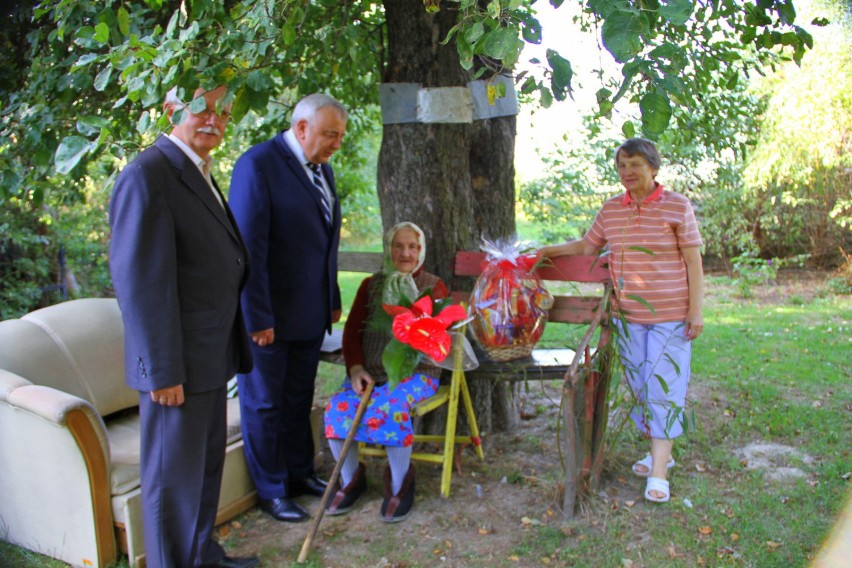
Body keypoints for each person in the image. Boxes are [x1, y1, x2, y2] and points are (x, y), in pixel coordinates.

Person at [109, 85, 258, 568]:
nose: (214, 119)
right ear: (173, 110)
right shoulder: (148, 175)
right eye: (203, 109)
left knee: (203, 469)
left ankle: (202, 556)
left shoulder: (197, 168)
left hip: (208, 355)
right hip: (178, 365)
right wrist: (162, 371)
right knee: (173, 479)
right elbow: (141, 285)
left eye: (223, 111)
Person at [540, 138, 704, 504]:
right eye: (621, 166)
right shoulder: (612, 210)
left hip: (671, 316)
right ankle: (662, 451)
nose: (627, 172)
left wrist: (696, 310)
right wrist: (546, 251)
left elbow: (693, 261)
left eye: (635, 164)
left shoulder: (677, 206)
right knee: (643, 386)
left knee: (664, 387)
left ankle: (659, 471)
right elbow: (587, 247)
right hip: (628, 316)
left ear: (653, 168)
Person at [229, 93, 346, 523]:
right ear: (301, 128)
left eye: (339, 136)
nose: (336, 144)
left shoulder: (323, 170)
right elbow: (247, 250)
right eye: (330, 134)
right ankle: (272, 490)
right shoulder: (257, 165)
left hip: (309, 315)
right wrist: (256, 317)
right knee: (264, 403)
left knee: (298, 398)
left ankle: (300, 474)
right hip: (268, 319)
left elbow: (325, 243)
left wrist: (330, 300)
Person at [323, 222, 448, 522]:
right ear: (389, 248)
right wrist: (354, 370)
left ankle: (399, 482)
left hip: (418, 375)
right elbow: (351, 334)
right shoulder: (371, 285)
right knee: (337, 408)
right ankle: (351, 479)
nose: (405, 253)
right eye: (398, 245)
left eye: (412, 246)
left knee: (391, 406)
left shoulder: (434, 287)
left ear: (421, 251)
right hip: (369, 373)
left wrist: (407, 365)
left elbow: (442, 340)